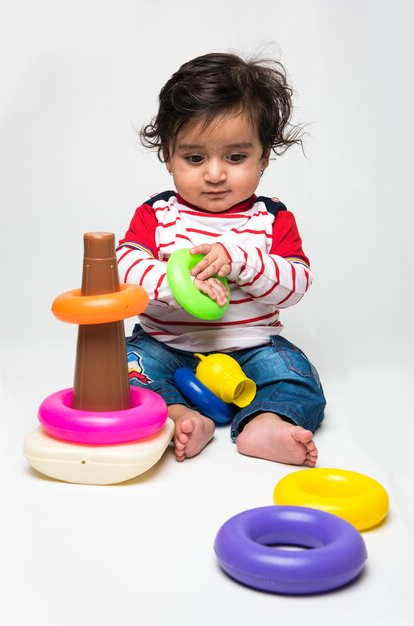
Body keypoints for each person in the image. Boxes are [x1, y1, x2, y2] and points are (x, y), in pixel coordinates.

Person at [117, 52, 326, 466]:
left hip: (251, 349)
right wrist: (178, 282)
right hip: (166, 345)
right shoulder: (158, 215)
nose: (214, 174)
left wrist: (241, 261)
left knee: (297, 378)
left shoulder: (270, 218)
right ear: (168, 155)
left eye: (235, 158)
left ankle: (264, 422)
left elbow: (296, 283)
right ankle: (180, 415)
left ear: (264, 156)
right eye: (194, 158)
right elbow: (126, 268)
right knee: (122, 370)